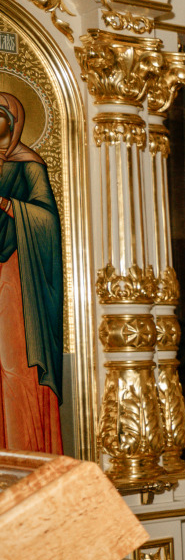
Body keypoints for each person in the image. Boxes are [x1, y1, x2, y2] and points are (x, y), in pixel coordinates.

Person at [0, 91, 63, 453]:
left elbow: (46, 219)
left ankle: (23, 450)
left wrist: (9, 205)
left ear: (14, 121)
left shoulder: (29, 164)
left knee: (14, 361)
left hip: (15, 275)